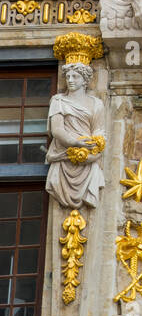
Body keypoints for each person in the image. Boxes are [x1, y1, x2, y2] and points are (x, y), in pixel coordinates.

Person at [45, 62, 105, 210]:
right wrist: (77, 143)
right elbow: (57, 130)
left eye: (75, 77)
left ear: (85, 80)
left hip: (87, 155)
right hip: (64, 154)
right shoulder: (58, 100)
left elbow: (98, 130)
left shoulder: (97, 104)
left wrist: (96, 147)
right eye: (68, 77)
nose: (70, 80)